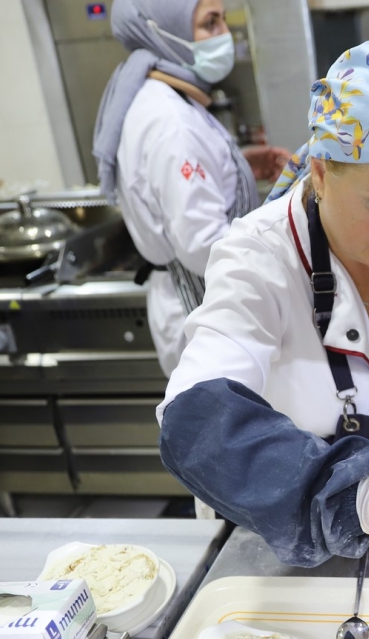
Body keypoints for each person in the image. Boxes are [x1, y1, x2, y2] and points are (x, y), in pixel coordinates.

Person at [156, 42, 369, 566]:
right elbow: (194, 418)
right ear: (320, 173)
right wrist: (361, 495)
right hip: (287, 528)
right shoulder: (258, 259)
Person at [93, 0, 293, 377]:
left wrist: (238, 166)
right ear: (165, 30)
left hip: (203, 297)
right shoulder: (172, 121)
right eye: (210, 23)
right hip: (202, 304)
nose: (224, 35)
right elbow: (203, 245)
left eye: (222, 20)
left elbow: (173, 184)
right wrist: (287, 258)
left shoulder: (162, 97)